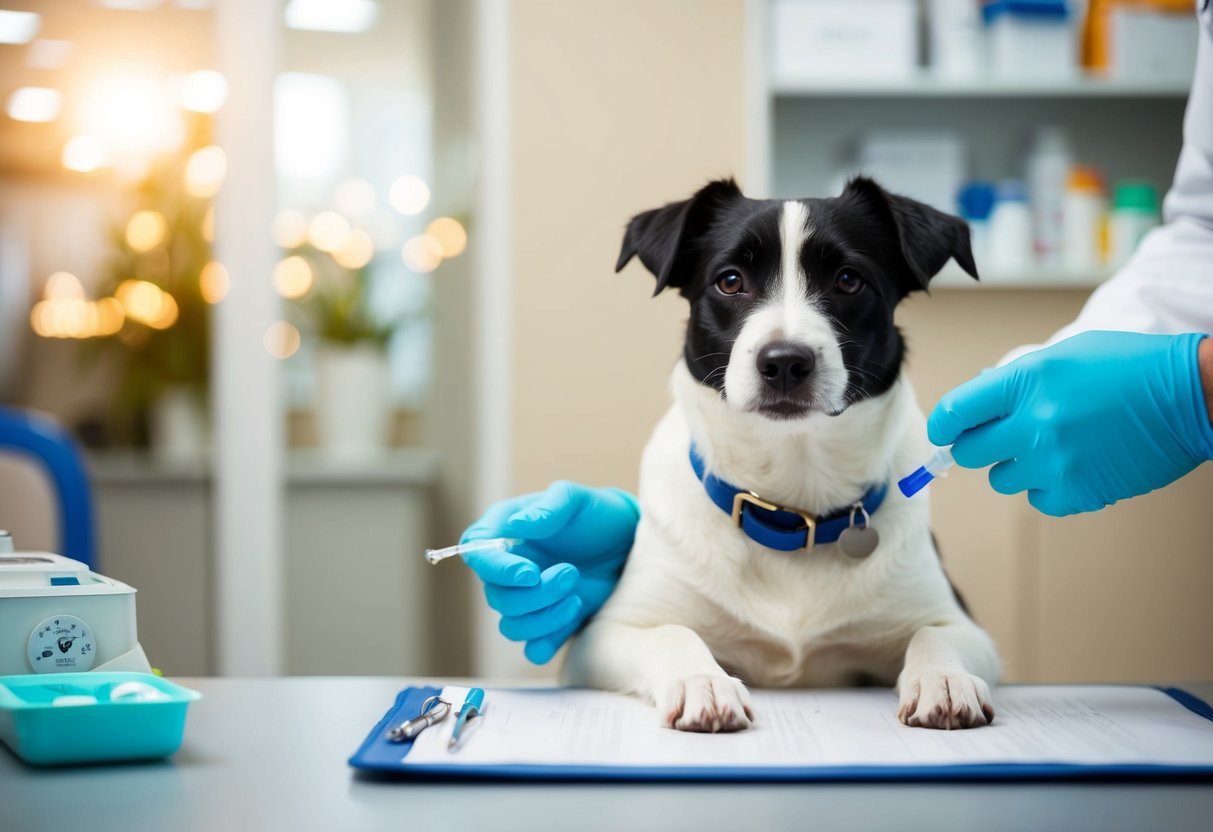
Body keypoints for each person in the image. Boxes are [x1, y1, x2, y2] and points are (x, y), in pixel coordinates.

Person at [461, 3, 1213, 663]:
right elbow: (1203, 234)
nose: (784, 341)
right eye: (732, 282)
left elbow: (962, 642)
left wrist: (1184, 389)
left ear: (898, 287)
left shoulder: (903, 492)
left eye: (845, 280)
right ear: (685, 290)